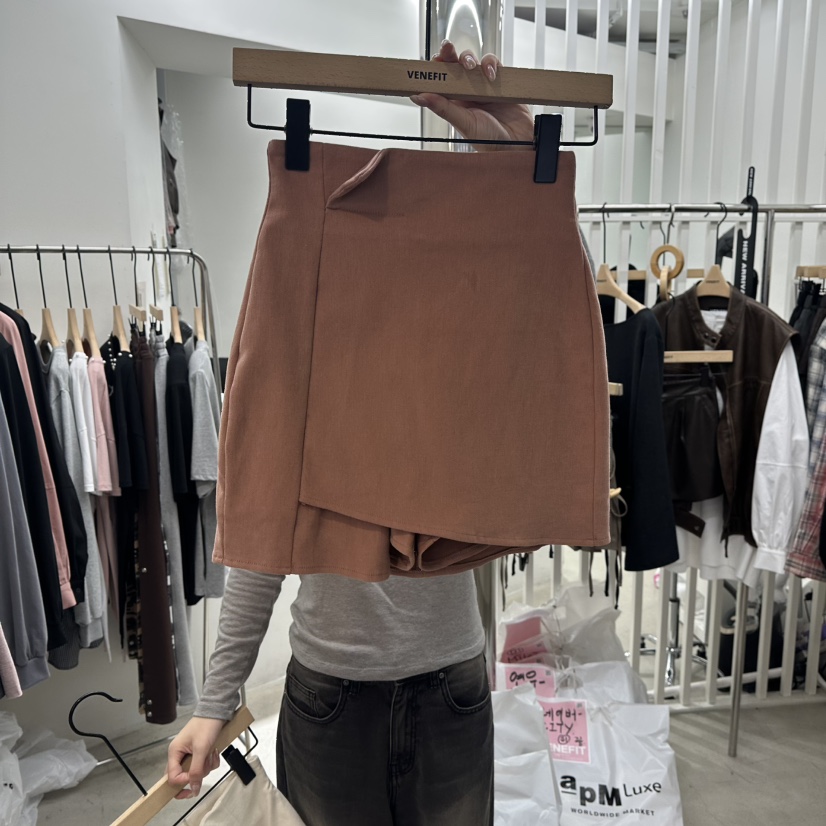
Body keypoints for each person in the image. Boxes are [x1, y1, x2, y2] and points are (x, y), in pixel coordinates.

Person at [167, 41, 535, 826]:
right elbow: (262, 538)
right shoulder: (302, 357)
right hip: (332, 691)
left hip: (447, 681)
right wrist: (215, 700)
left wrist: (511, 145)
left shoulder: (466, 361)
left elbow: (546, 301)